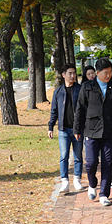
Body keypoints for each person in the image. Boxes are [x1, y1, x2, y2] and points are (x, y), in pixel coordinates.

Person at [74, 58, 112, 206]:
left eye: (110, 72)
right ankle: (92, 184)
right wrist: (77, 129)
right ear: (97, 73)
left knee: (108, 163)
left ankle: (104, 194)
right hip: (91, 131)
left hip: (109, 131)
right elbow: (79, 109)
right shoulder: (87, 86)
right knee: (91, 163)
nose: (109, 75)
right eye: (106, 72)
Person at [47, 63, 83, 193]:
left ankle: (77, 179)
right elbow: (54, 111)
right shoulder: (58, 91)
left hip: (77, 130)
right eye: (70, 73)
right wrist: (50, 126)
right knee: (64, 156)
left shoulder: (80, 89)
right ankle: (65, 182)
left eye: (74, 73)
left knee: (78, 155)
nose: (72, 75)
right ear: (63, 75)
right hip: (63, 129)